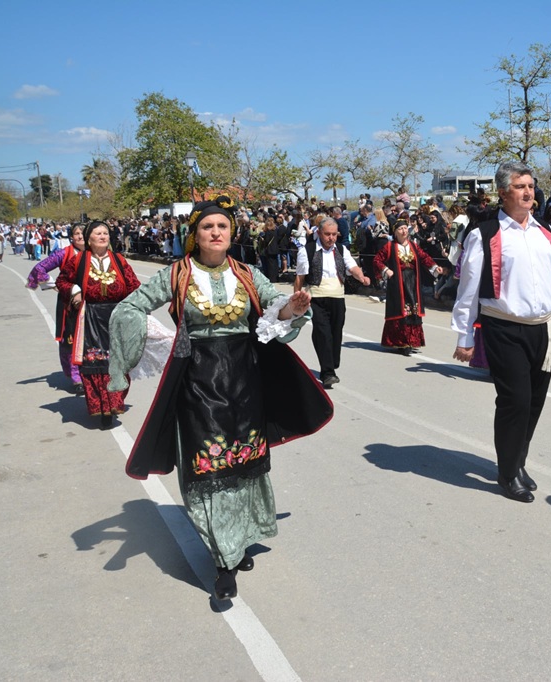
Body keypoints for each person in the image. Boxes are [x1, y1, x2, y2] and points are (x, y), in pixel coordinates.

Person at [108, 195, 333, 602]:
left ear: (232, 233)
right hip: (198, 380)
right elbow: (131, 307)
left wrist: (292, 308)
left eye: (223, 226)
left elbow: (276, 309)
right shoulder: (177, 273)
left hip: (245, 379)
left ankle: (238, 541)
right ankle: (223, 561)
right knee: (208, 468)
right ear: (194, 235)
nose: (216, 233)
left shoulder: (247, 273)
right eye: (207, 227)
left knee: (244, 463)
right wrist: (139, 350)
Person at [451, 161, 551, 503]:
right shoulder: (484, 234)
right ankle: (507, 473)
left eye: (530, 186)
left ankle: (518, 462)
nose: (528, 192)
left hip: (542, 329)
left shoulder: (544, 231)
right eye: (520, 187)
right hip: (503, 327)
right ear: (503, 193)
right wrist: (465, 337)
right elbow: (468, 289)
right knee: (515, 401)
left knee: (534, 401)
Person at [56, 221, 140, 428]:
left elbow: (134, 285)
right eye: (98, 233)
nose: (103, 236)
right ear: (89, 238)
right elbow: (62, 282)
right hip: (90, 317)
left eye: (105, 233)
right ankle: (101, 407)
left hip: (116, 317)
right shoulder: (78, 261)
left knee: (118, 362)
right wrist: (75, 291)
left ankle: (114, 403)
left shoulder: (119, 260)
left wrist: (136, 309)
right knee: (95, 362)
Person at [295, 217, 371, 388]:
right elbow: (300, 277)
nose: (331, 238)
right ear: (319, 233)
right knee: (323, 332)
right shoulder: (308, 250)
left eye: (334, 234)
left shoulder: (342, 250)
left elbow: (352, 267)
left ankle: (331, 362)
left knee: (336, 334)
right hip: (316, 298)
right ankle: (328, 373)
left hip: (337, 297)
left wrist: (362, 277)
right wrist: (297, 299)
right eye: (327, 234)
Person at [26, 224, 86, 392]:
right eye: (77, 234)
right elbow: (40, 268)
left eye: (83, 233)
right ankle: (76, 377)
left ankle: (91, 374)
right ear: (71, 237)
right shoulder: (64, 253)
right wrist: (53, 284)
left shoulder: (94, 252)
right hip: (69, 303)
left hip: (91, 300)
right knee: (71, 337)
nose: (80, 236)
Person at [374, 217, 443, 355]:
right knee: (401, 310)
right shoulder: (390, 246)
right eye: (400, 229)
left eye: (405, 228)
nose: (404, 231)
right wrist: (386, 270)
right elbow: (377, 260)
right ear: (395, 232)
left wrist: (435, 267)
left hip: (412, 282)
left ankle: (412, 341)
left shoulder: (413, 246)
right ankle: (401, 342)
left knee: (413, 309)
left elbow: (424, 257)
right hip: (398, 283)